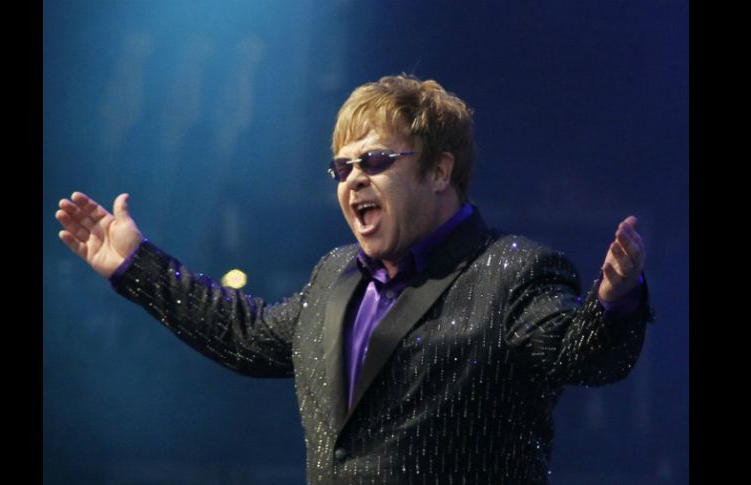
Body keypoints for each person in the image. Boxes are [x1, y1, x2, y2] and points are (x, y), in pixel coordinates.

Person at [55, 74, 653, 484]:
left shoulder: (511, 270)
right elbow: (244, 335)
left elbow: (582, 355)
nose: (353, 180)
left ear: (439, 171)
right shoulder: (335, 276)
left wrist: (613, 302)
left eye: (374, 161)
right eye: (342, 168)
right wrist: (137, 266)